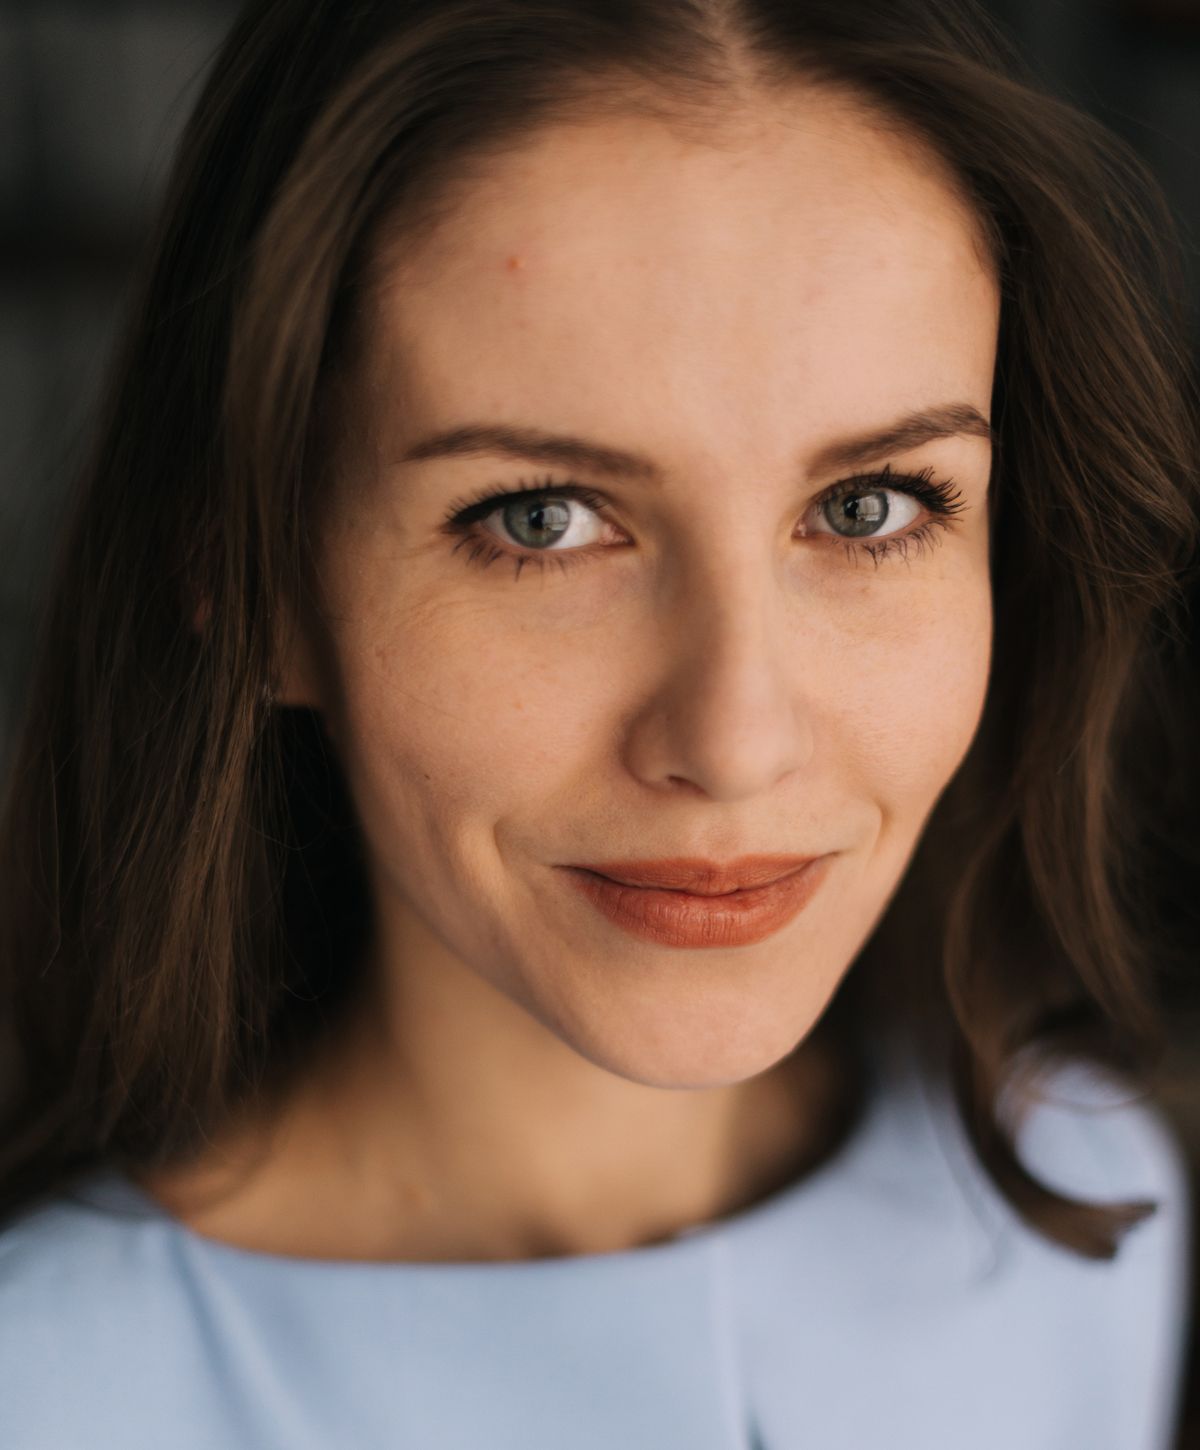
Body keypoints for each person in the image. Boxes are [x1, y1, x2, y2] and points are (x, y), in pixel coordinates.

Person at [0, 0, 1196, 1444]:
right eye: (542, 519)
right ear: (253, 580)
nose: (736, 740)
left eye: (872, 505)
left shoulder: (1091, 1208)